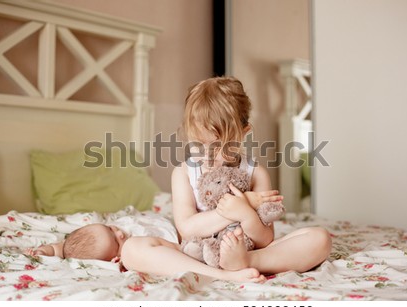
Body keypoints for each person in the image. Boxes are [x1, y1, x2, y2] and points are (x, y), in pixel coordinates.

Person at [171, 76, 332, 274]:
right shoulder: (183, 173)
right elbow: (186, 229)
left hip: (248, 250)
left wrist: (245, 214)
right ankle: (236, 263)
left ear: (244, 133)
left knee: (320, 239)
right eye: (197, 143)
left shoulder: (255, 173)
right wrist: (242, 203)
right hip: (200, 252)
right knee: (146, 248)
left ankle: (246, 261)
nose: (207, 154)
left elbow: (265, 239)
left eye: (219, 145)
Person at [23, 223, 266, 283]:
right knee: (132, 249)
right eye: (114, 238)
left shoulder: (129, 225)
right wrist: (46, 251)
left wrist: (50, 248)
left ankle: (232, 264)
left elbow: (65, 244)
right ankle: (224, 276)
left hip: (198, 243)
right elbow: (66, 250)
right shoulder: (128, 250)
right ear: (114, 259)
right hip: (194, 257)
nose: (118, 231)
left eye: (110, 227)